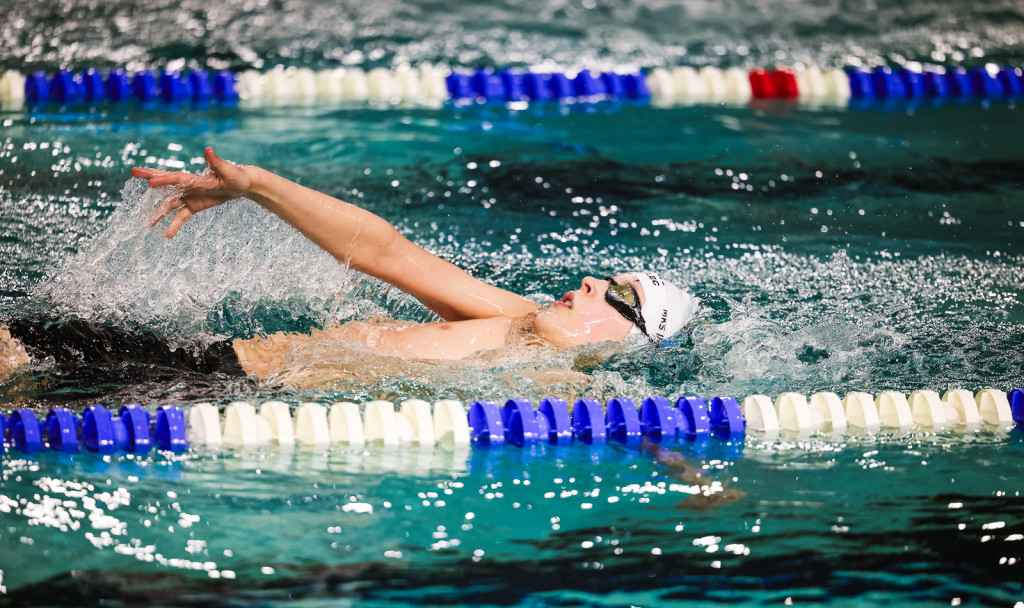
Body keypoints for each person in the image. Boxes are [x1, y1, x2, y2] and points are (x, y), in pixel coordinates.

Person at [1, 147, 698, 383]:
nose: (587, 283)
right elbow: (382, 252)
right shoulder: (514, 318)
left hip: (214, 394)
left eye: (614, 293)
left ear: (629, 339)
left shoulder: (562, 394)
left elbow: (654, 444)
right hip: (204, 365)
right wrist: (259, 186)